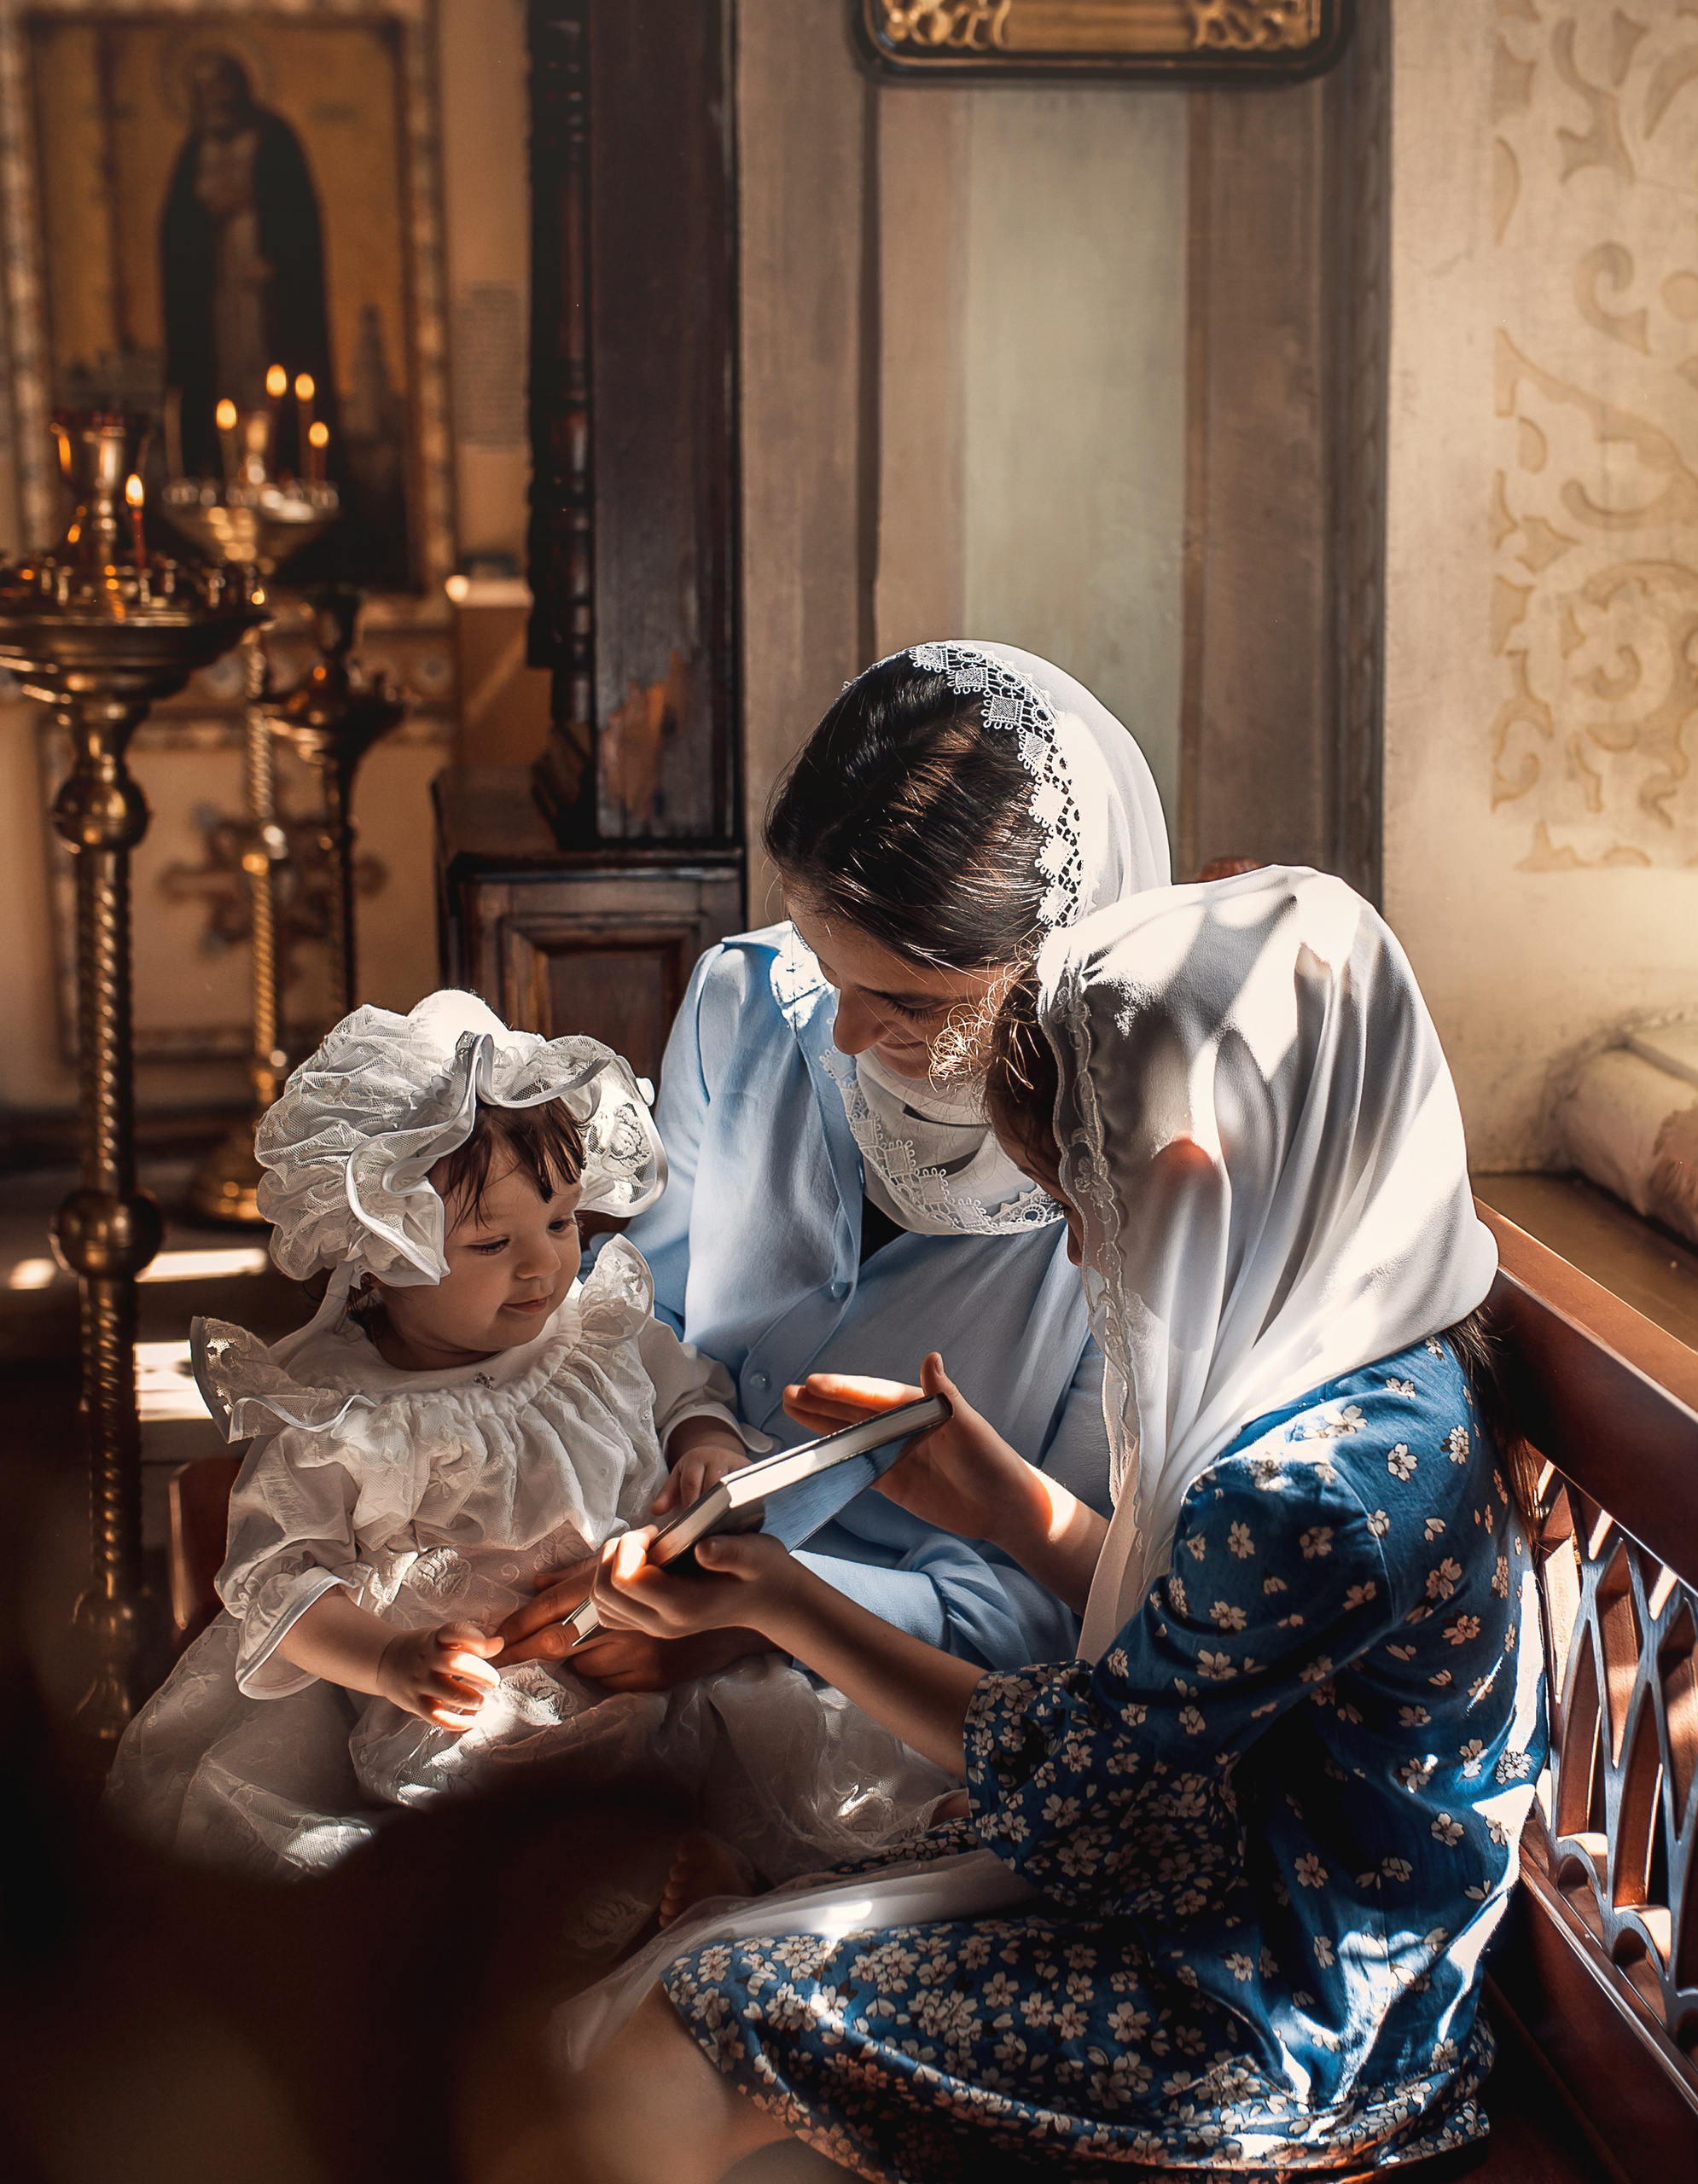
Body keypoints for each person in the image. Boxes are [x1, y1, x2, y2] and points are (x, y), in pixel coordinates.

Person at [558, 867, 1548, 2182]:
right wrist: (1015, 1508)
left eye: (1085, 1200)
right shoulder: (1376, 1341)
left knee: (696, 2024)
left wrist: (779, 1601)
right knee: (748, 1900)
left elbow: (1085, 1803)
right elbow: (1202, 1666)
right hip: (1287, 1897)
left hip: (1284, 2012)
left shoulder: (1312, 1490)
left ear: (1196, 1180)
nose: (1081, 1253)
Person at [102, 993, 949, 1888]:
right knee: (488, 1810)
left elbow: (686, 1391)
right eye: (491, 1241)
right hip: (477, 1692)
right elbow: (279, 1581)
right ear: (385, 1250)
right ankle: (631, 1887)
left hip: (653, 1651)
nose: (543, 1264)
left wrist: (709, 1449)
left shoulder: (595, 1328)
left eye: (559, 1221)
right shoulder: (339, 1408)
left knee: (770, 1737)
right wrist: (388, 1657)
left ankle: (718, 1856)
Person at [498, 642, 1171, 1692]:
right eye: (826, 964)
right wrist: (702, 1429)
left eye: (910, 1002)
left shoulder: (1133, 1189)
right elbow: (641, 1311)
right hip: (628, 1544)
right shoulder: (748, 1003)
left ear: (1052, 963)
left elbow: (1063, 1591)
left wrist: (768, 1614)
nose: (846, 1033)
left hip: (896, 1684)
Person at [160, 47, 334, 477]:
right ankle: (222, 466)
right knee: (223, 375)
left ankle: (283, 465)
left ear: (239, 85)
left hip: (266, 291)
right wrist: (204, 216)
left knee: (270, 371)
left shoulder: (274, 138)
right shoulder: (193, 151)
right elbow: (174, 230)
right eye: (201, 89)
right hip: (217, 287)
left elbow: (300, 217)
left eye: (219, 84)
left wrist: (275, 257)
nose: (212, 97)